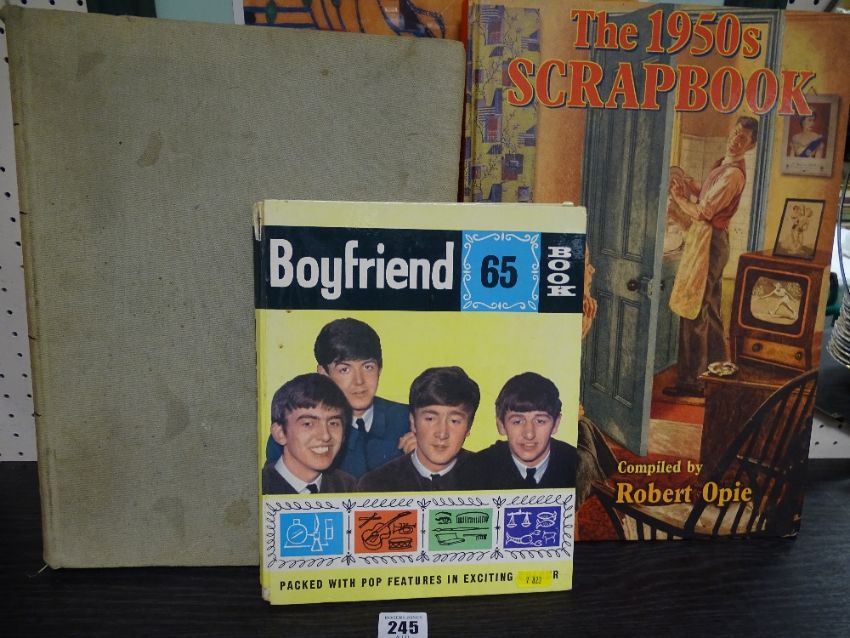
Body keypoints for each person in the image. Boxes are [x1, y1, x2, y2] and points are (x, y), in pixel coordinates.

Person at [663, 116, 759, 399]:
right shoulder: (724, 164)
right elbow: (708, 197)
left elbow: (704, 212)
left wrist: (679, 199)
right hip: (714, 243)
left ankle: (692, 382)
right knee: (711, 310)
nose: (736, 140)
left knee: (695, 310)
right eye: (736, 133)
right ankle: (719, 373)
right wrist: (692, 186)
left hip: (711, 244)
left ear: (750, 146)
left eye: (743, 138)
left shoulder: (733, 175)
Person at [265, 318, 412, 477]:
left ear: (380, 369)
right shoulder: (291, 431)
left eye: (368, 367)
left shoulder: (410, 420)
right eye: (344, 370)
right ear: (324, 373)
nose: (359, 381)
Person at [356, 366, 479, 492]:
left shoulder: (487, 478)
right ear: (413, 422)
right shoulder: (375, 484)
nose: (442, 434)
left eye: (454, 421)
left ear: (468, 426)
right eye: (430, 419)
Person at [459, 372, 577, 490]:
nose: (529, 434)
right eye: (517, 421)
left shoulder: (577, 465)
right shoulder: (473, 470)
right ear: (501, 425)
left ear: (556, 424)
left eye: (540, 421)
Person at [262, 373, 356, 495]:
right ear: (280, 433)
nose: (325, 436)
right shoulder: (258, 488)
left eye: (333, 423)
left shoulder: (347, 487)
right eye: (308, 424)